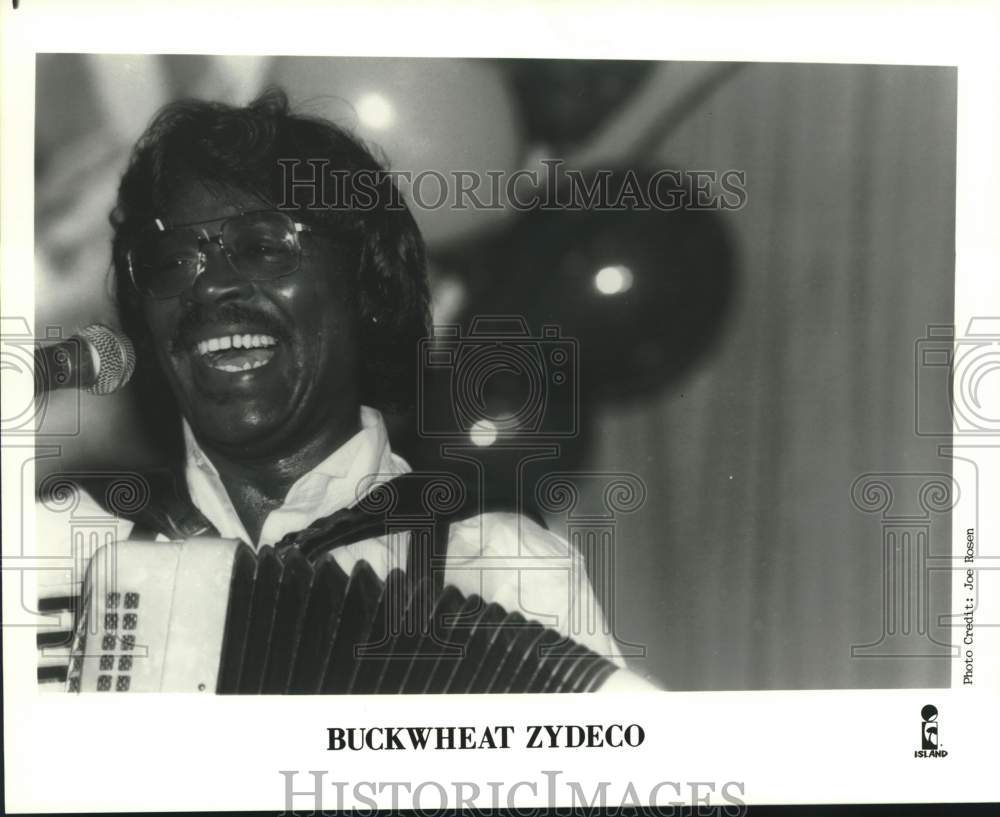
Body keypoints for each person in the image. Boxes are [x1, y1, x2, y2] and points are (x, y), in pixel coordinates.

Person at [35, 88, 622, 691]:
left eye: (263, 248)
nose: (208, 289)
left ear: (365, 288)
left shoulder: (505, 569)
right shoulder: (54, 549)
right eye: (171, 262)